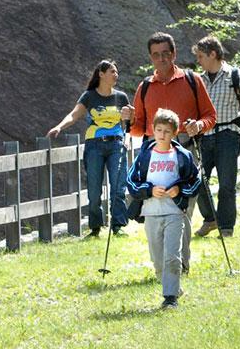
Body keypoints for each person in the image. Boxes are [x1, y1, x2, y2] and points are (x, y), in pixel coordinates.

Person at [123, 32, 217, 273]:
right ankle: (161, 264)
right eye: (156, 55)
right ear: (151, 58)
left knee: (183, 206)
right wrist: (128, 120)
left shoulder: (191, 80)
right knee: (154, 209)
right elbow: (137, 129)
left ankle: (179, 264)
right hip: (153, 155)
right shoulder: (145, 87)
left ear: (174, 54)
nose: (162, 59)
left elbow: (210, 116)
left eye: (166, 53)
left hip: (185, 150)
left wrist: (199, 125)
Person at [125, 108, 201, 309]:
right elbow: (131, 182)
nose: (162, 134)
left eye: (167, 131)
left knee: (172, 257)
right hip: (151, 212)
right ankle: (172, 286)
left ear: (174, 132)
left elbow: (195, 181)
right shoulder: (145, 156)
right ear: (153, 130)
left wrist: (180, 189)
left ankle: (170, 298)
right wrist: (148, 190)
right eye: (158, 130)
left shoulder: (182, 155)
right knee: (158, 260)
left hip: (175, 212)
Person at [47, 60, 131, 237]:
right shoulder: (89, 96)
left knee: (118, 185)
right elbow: (74, 115)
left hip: (117, 143)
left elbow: (129, 123)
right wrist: (59, 127)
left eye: (117, 72)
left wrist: (130, 117)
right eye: (112, 71)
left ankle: (118, 226)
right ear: (101, 74)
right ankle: (95, 227)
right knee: (94, 189)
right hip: (94, 145)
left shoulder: (121, 97)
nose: (116, 75)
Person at [191, 36, 240, 237]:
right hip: (204, 135)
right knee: (197, 180)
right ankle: (211, 219)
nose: (199, 60)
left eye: (201, 56)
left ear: (213, 54)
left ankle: (226, 227)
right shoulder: (199, 79)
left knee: (227, 183)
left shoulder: (235, 75)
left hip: (228, 134)